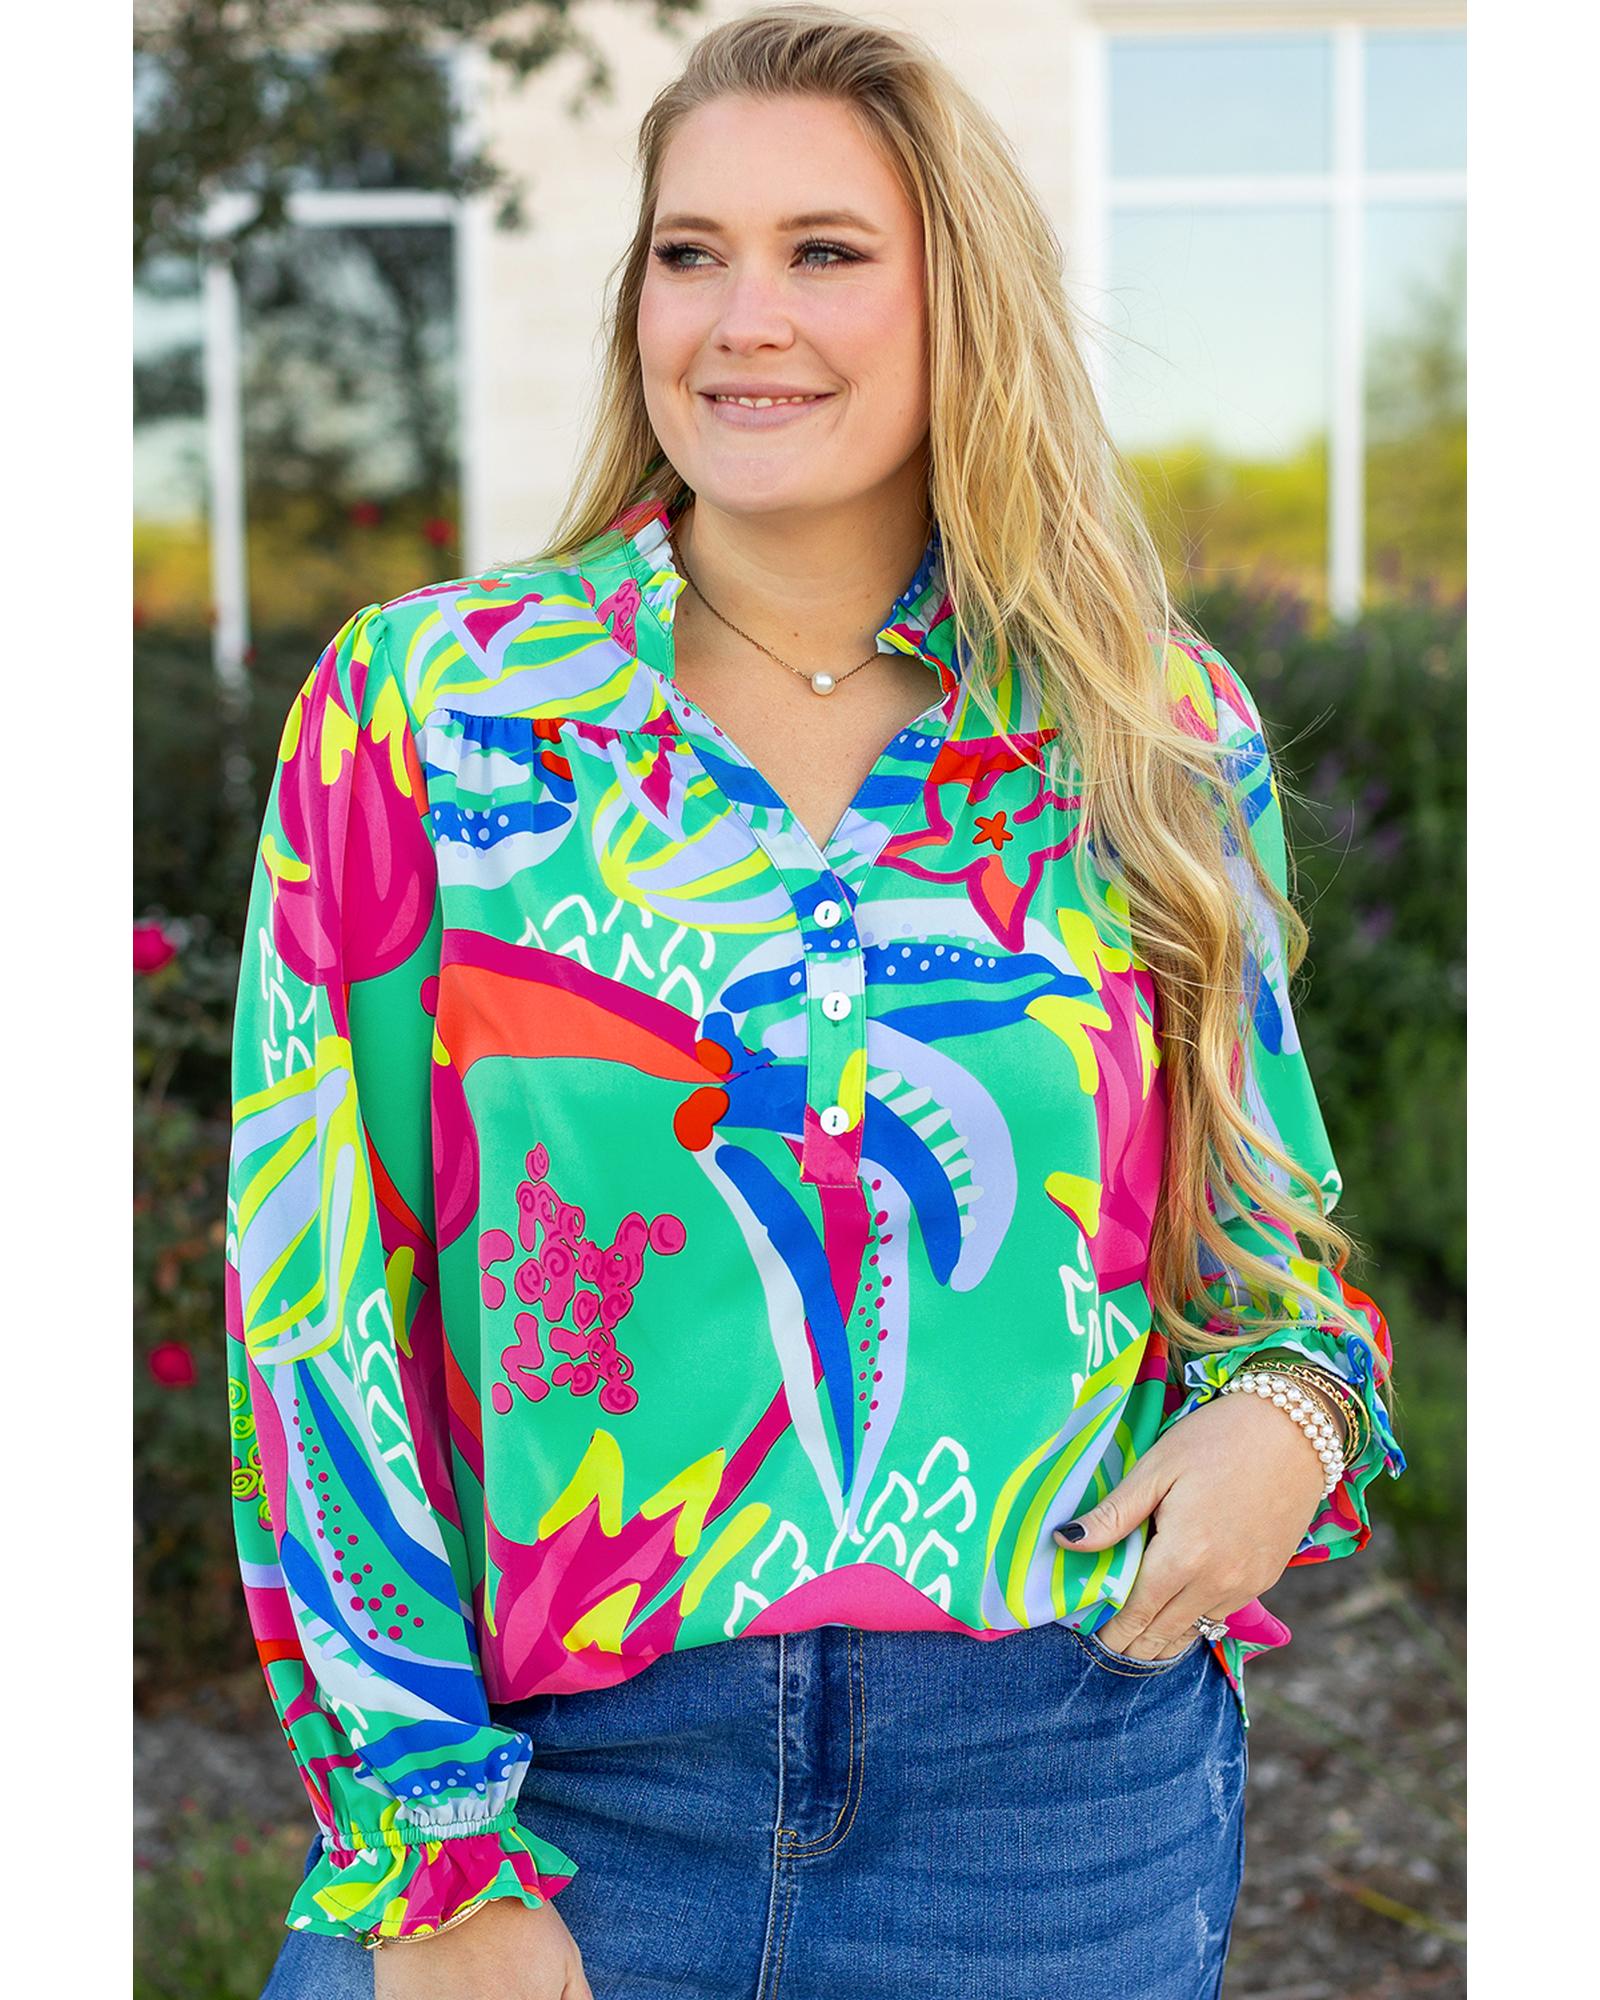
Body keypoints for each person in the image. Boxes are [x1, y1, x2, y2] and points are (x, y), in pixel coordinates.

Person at [227, 7, 1406, 1996]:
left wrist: (1294, 1419)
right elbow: (311, 1297)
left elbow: (1274, 1255)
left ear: (962, 300)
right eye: (689, 252)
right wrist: (428, 1851)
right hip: (558, 1790)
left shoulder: (1145, 728)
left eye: (824, 251)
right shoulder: (432, 711)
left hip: (1052, 1798)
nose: (739, 317)